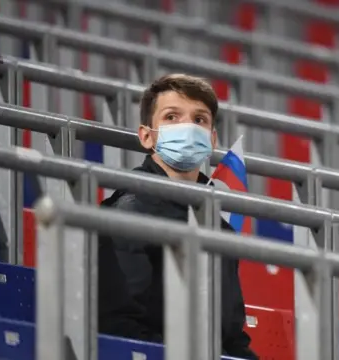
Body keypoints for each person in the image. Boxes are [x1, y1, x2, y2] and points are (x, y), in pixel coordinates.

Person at [97, 74, 258, 359]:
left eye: (199, 120)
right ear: (147, 136)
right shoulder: (128, 211)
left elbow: (233, 338)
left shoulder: (219, 228)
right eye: (172, 117)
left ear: (212, 139)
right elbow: (119, 326)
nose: (187, 127)